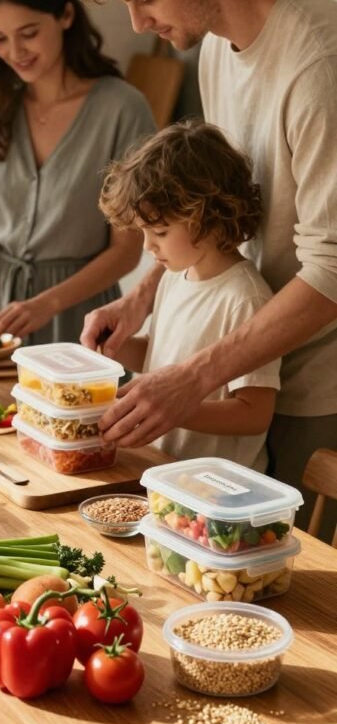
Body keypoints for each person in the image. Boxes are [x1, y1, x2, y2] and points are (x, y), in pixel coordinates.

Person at [66, 0, 337, 525]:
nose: (136, 23)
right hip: (247, 363)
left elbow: (331, 270)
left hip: (313, 388)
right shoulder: (216, 44)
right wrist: (140, 297)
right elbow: (204, 201)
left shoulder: (318, 63)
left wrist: (192, 378)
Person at [0, 0, 155, 345]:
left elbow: (127, 250)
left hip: (82, 316)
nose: (14, 52)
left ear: (66, 16)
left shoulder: (122, 110)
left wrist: (47, 304)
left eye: (29, 33)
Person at [99, 120, 280, 470]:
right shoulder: (174, 276)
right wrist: (115, 346)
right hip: (164, 470)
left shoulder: (245, 298)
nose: (149, 246)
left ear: (209, 216)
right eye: (143, 232)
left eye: (161, 232)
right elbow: (160, 355)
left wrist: (174, 409)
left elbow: (254, 414)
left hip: (218, 489)